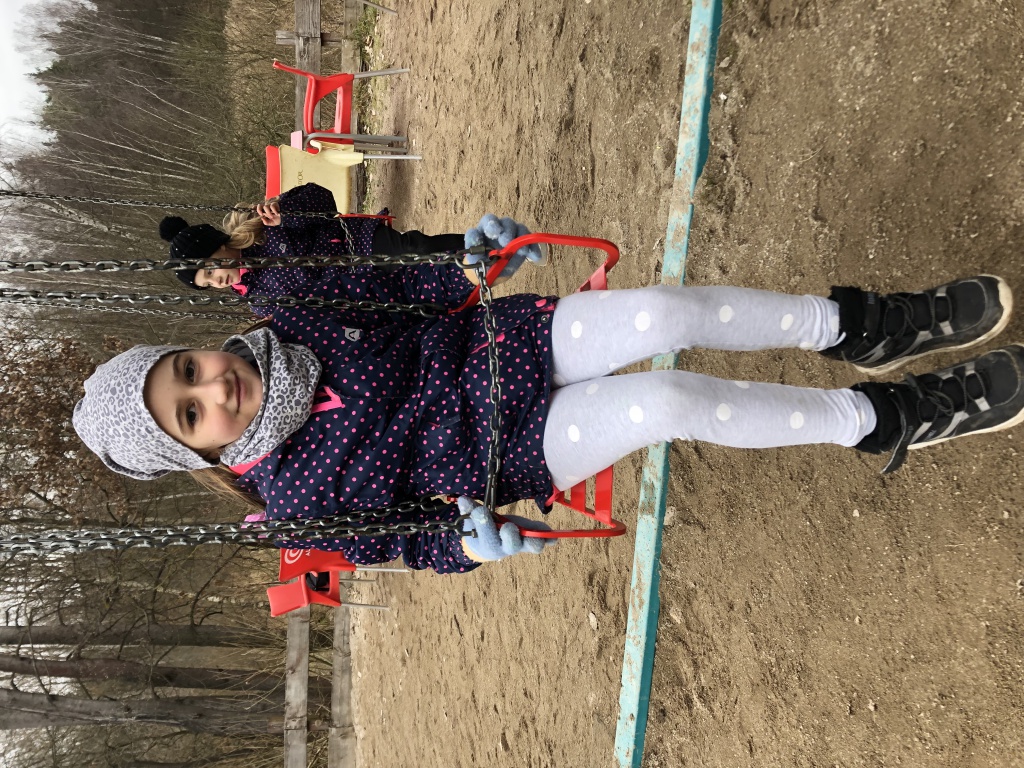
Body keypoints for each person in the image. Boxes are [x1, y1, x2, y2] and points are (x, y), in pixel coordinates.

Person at [73, 262, 1022, 574]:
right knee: (665, 400)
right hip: (510, 449)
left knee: (665, 313)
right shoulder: (297, 504)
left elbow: (407, 284)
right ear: (197, 450)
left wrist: (464, 260)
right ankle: (885, 416)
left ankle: (865, 327)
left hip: (502, 346)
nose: (215, 390)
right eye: (191, 414)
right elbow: (411, 542)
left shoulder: (291, 309)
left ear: (191, 347)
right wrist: (472, 544)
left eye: (188, 371)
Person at [162, 182, 475, 317]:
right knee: (427, 294)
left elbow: (323, 199)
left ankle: (483, 247)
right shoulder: (259, 302)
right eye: (208, 284)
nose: (217, 282)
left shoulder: (264, 225)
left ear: (216, 247)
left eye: (209, 270)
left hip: (358, 245)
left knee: (416, 250)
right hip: (362, 292)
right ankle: (478, 283)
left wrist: (288, 214)